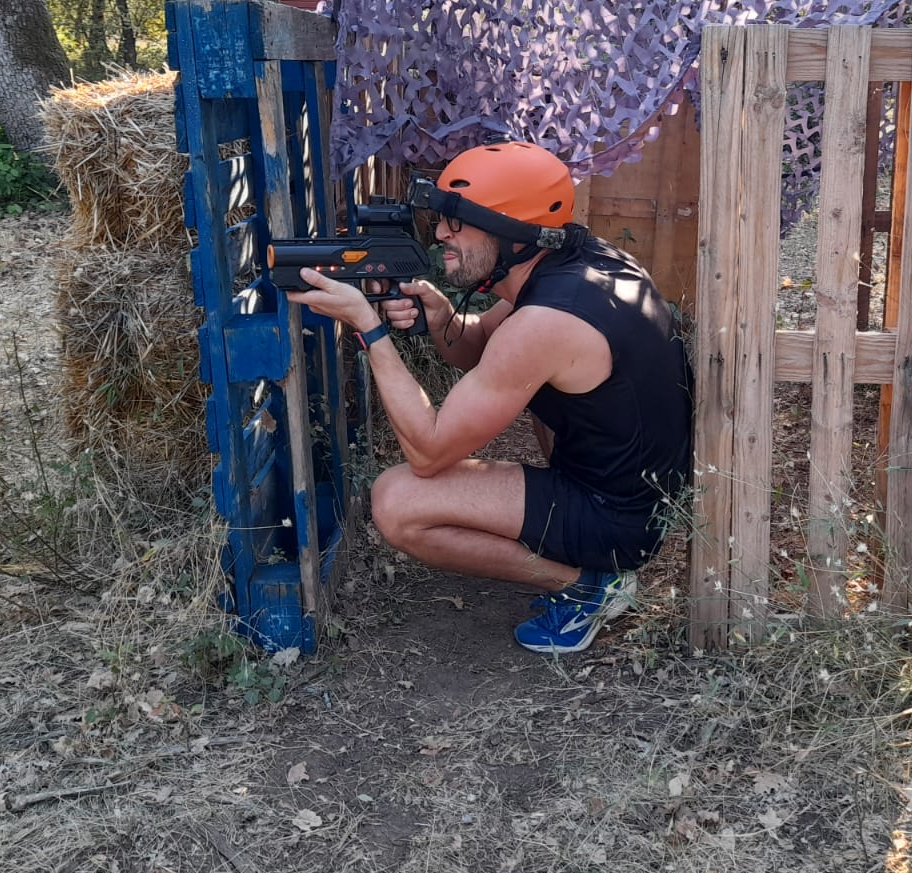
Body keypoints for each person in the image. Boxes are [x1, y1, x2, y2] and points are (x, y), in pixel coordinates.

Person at [283, 141, 693, 654]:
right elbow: (480, 348)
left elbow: (429, 452)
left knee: (397, 502)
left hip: (618, 520)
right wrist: (439, 315)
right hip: (633, 490)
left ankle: (586, 584)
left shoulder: (544, 323)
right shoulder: (579, 267)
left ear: (511, 231)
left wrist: (368, 328)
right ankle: (586, 564)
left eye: (458, 223)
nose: (439, 234)